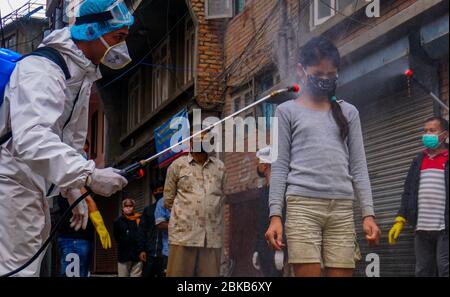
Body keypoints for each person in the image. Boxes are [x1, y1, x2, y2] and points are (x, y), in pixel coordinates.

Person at [0, 0, 133, 276]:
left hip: (31, 186)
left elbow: (69, 142)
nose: (122, 47)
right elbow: (32, 139)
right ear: (92, 31)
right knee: (18, 271)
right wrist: (88, 176)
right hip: (12, 183)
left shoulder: (79, 77)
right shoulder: (43, 70)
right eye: (118, 37)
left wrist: (72, 187)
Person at [265, 36, 381, 277]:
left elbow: (359, 167)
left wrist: (368, 214)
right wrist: (275, 215)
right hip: (302, 207)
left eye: (331, 75)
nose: (326, 80)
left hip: (341, 209)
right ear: (301, 71)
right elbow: (279, 166)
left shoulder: (349, 112)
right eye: (319, 74)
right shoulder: (286, 111)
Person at [389, 117, 448, 277]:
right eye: (425, 131)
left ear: (445, 134)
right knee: (423, 271)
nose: (427, 134)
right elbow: (408, 192)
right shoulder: (418, 160)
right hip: (421, 227)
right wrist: (400, 218)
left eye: (432, 130)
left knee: (445, 269)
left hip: (445, 228)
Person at [164, 128, 227, 277]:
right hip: (183, 237)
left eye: (205, 139)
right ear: (190, 142)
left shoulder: (220, 167)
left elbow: (223, 197)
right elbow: (168, 199)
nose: (201, 142)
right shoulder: (177, 165)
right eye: (197, 139)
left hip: (211, 238)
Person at [57, 140, 112, 277]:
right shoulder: (71, 177)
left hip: (77, 239)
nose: (86, 155)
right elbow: (87, 200)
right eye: (83, 151)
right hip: (73, 239)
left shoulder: (73, 177)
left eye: (87, 151)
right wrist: (100, 226)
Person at [252, 146, 285, 277]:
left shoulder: (282, 191)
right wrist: (257, 249)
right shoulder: (264, 191)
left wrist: (282, 250)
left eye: (258, 161)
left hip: (279, 250)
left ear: (265, 165)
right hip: (265, 252)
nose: (256, 165)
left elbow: (287, 220)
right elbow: (261, 224)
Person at [139, 178, 167, 277]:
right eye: (155, 191)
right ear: (152, 193)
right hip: (149, 253)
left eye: (161, 190)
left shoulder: (171, 209)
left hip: (165, 254)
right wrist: (142, 250)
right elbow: (142, 231)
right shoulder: (148, 210)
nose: (158, 193)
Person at [113, 198, 143, 277]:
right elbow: (116, 237)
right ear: (123, 208)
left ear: (134, 207)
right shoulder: (118, 221)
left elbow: (142, 235)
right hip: (124, 256)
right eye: (126, 206)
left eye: (130, 206)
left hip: (137, 255)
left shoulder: (139, 219)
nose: (128, 208)